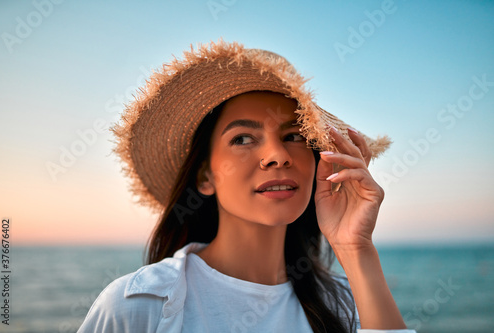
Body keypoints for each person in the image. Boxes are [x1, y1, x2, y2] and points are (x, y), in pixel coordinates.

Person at [78, 40, 416, 333]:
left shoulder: (349, 302)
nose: (277, 155)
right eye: (242, 138)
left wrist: (356, 249)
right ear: (204, 177)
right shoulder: (137, 305)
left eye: (294, 136)